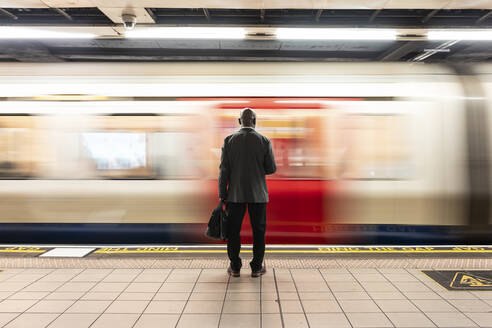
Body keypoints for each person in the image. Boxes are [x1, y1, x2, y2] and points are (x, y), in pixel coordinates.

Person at [218, 108, 276, 277]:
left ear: (239, 121)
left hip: (234, 195)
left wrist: (222, 195)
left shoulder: (229, 141)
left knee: (233, 231)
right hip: (258, 195)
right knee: (258, 231)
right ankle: (256, 267)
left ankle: (235, 266)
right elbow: (271, 168)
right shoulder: (264, 141)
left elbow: (223, 172)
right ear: (255, 121)